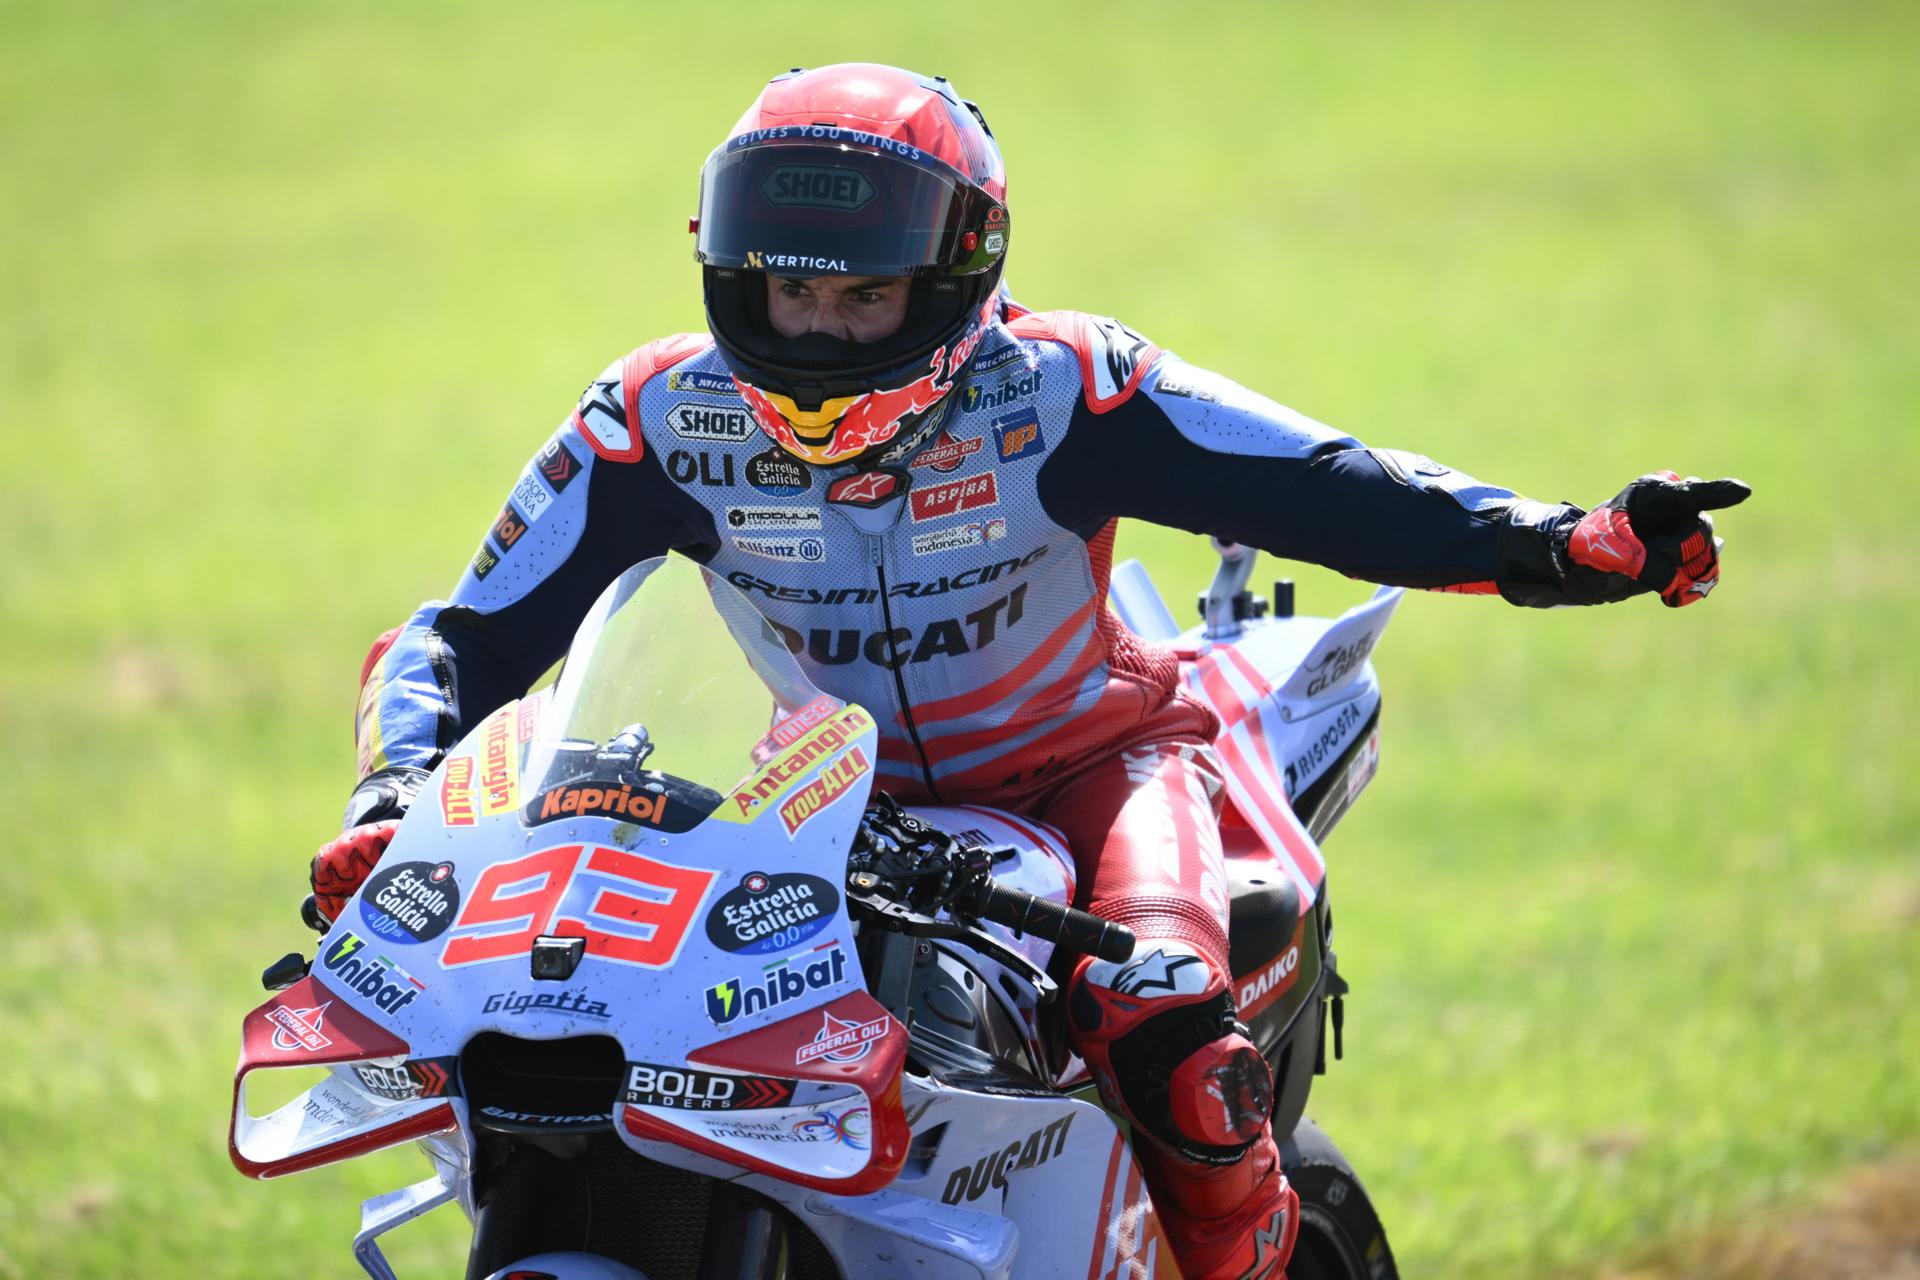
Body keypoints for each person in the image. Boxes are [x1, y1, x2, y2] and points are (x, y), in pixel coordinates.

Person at [310, 64, 1748, 1278]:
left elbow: (1338, 487)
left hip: (1095, 769)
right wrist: (390, 806)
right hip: (800, 805)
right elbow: (460, 637)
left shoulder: (1069, 387)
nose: (818, 333)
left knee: (1167, 1017)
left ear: (960, 274)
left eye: (864, 298)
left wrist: (1579, 544)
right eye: (787, 293)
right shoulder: (651, 418)